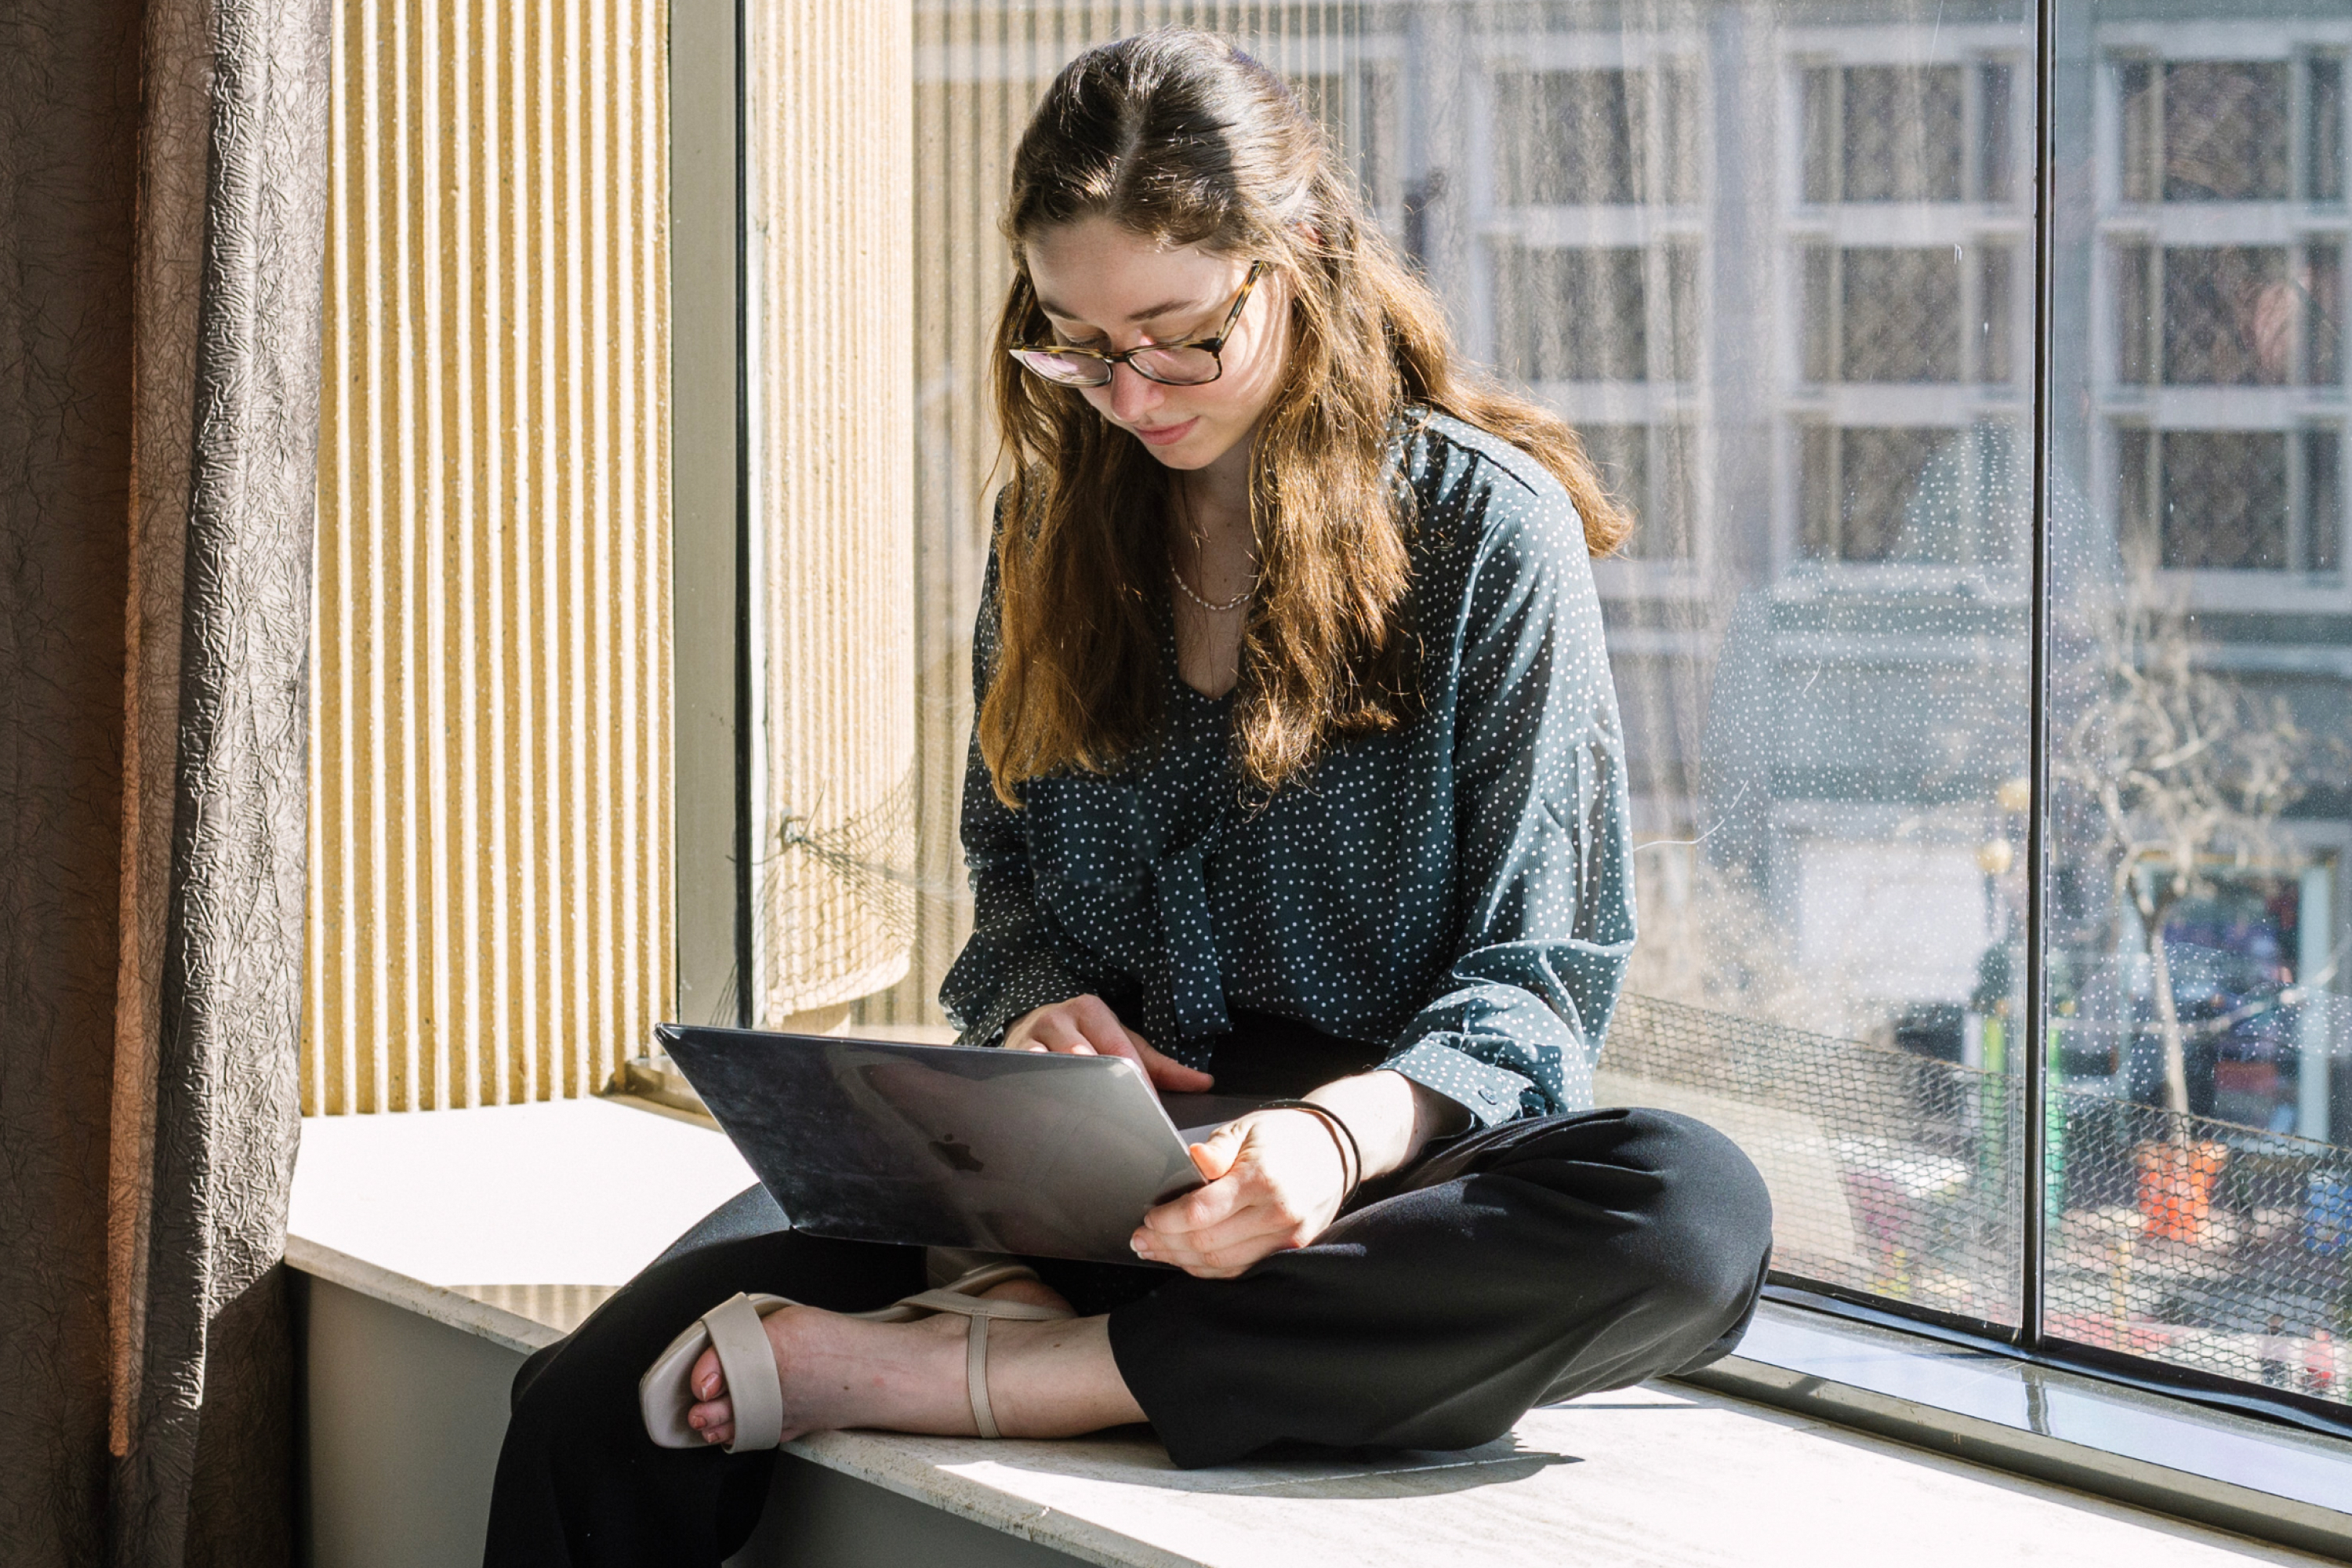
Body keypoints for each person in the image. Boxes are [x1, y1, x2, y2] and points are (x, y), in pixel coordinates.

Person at [484, 28, 1771, 1565]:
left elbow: (1539, 973)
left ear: (1294, 258)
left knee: (1691, 1211)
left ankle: (1022, 1372)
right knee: (594, 1402)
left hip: (1354, 1184)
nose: (1134, 389)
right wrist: (1038, 1010)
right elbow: (1011, 877)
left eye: (1179, 335)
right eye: (1079, 345)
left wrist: (1333, 1142)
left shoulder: (1487, 534)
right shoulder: (1047, 526)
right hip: (1063, 1169)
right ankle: (1050, 1318)